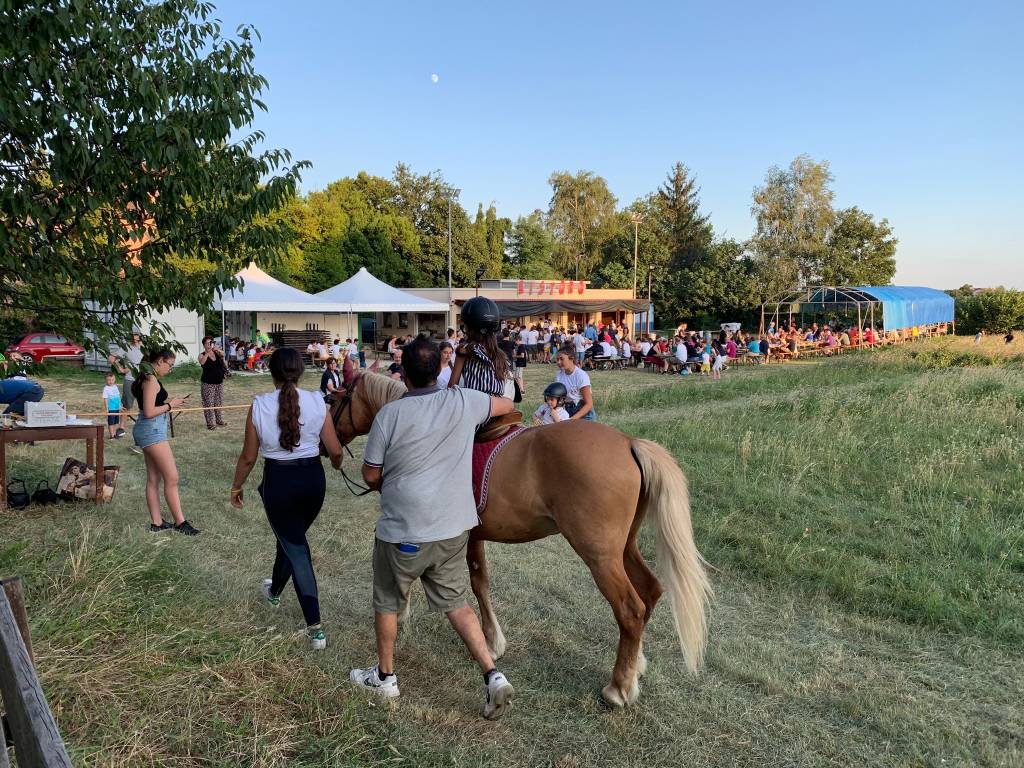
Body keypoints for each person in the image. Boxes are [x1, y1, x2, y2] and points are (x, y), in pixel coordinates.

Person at [351, 335, 516, 719]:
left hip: (404, 531)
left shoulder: (389, 415)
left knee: (387, 601)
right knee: (457, 603)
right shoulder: (463, 401)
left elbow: (370, 474)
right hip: (453, 528)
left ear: (403, 374)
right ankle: (492, 675)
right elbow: (507, 404)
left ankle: (385, 677)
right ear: (438, 369)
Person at [230, 347, 344, 651]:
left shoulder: (259, 405)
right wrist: (337, 464)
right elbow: (335, 450)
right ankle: (275, 593)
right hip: (313, 482)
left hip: (279, 482)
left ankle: (315, 628)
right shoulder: (318, 401)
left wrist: (236, 486)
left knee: (296, 547)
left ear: (272, 373)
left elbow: (248, 457)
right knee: (291, 540)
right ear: (301, 372)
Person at [131, 347, 199, 535]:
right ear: (160, 360)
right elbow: (149, 411)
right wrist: (171, 405)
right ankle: (180, 522)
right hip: (151, 431)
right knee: (172, 477)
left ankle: (157, 523)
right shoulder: (151, 380)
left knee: (154, 478)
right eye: (170, 365)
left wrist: (170, 404)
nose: (170, 369)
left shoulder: (146, 378)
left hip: (149, 429)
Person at [450, 297, 511, 398]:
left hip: (476, 403)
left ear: (469, 327)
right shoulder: (500, 354)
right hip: (498, 404)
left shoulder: (465, 350)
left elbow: (452, 386)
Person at [108, 332, 144, 419]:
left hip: (144, 379)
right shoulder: (126, 347)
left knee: (146, 404)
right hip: (130, 379)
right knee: (127, 406)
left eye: (137, 335)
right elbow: (111, 358)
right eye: (133, 336)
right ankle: (122, 426)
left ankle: (145, 423)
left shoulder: (146, 348)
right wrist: (120, 369)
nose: (135, 338)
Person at [555, 347, 595, 420]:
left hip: (584, 413)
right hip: (568, 410)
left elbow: (589, 404)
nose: (558, 362)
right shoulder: (559, 375)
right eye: (557, 359)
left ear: (571, 358)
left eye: (561, 359)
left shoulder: (581, 376)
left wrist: (572, 419)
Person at [198, 335, 228, 430]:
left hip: (219, 382)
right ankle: (210, 423)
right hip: (208, 383)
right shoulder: (202, 355)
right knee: (209, 404)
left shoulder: (217, 353)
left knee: (218, 402)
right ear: (204, 345)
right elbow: (202, 362)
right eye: (208, 343)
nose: (210, 344)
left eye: (211, 342)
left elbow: (224, 358)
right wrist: (208, 352)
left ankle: (219, 420)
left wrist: (217, 350)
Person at [102, 371, 126, 439]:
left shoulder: (115, 387)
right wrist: (107, 408)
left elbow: (118, 397)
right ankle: (112, 435)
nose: (111, 381)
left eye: (112, 380)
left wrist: (120, 406)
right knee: (111, 422)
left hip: (116, 408)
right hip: (111, 408)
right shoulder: (106, 388)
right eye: (109, 380)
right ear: (106, 380)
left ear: (114, 380)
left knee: (116, 422)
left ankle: (115, 434)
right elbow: (105, 399)